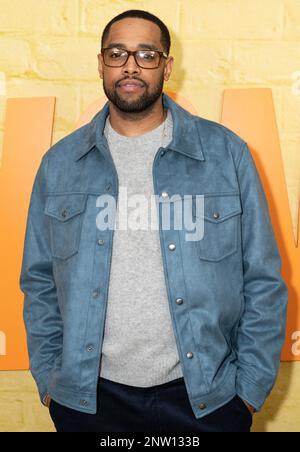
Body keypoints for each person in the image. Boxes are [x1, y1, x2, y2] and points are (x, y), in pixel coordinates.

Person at [20, 9, 288, 433]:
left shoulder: (226, 154)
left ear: (167, 66)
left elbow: (263, 279)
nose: (130, 65)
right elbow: (39, 282)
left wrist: (248, 392)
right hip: (89, 402)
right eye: (117, 53)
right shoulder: (60, 165)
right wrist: (52, 382)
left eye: (146, 54)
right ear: (100, 64)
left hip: (208, 399)